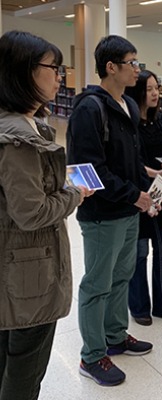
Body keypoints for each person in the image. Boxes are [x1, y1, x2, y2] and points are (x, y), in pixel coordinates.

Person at [0, 30, 92, 400]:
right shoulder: (18, 138)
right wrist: (72, 195)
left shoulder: (19, 124)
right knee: (25, 372)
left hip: (17, 271)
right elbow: (31, 211)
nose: (60, 78)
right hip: (30, 279)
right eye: (53, 68)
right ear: (23, 72)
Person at [67, 35, 154, 387]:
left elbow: (129, 159)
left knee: (122, 276)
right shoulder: (90, 108)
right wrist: (133, 194)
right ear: (111, 67)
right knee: (97, 284)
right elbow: (88, 169)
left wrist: (148, 182)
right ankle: (92, 355)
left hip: (128, 211)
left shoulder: (129, 105)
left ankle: (116, 335)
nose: (138, 69)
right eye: (131, 62)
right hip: (103, 214)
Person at [124, 70, 162, 324]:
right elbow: (131, 160)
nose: (155, 93)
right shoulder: (128, 122)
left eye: (156, 88)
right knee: (139, 253)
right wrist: (156, 171)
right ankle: (139, 307)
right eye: (149, 89)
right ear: (137, 91)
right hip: (140, 192)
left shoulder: (159, 119)